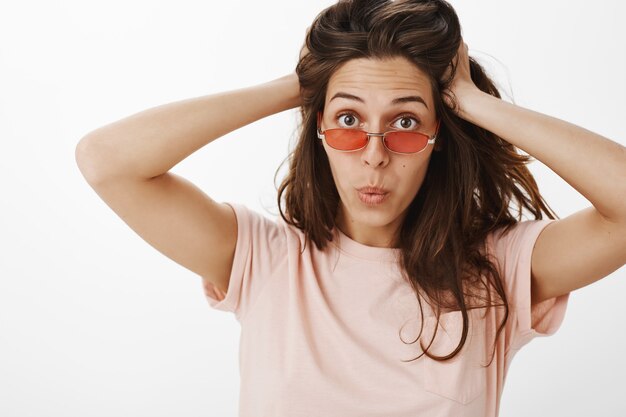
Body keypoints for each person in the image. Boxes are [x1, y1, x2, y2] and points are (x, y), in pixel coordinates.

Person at [75, 0, 626, 415]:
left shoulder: (498, 270)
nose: (375, 154)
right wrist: (303, 83)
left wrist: (472, 101)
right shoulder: (264, 259)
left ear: (441, 133)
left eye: (406, 122)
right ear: (318, 129)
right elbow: (105, 160)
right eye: (347, 121)